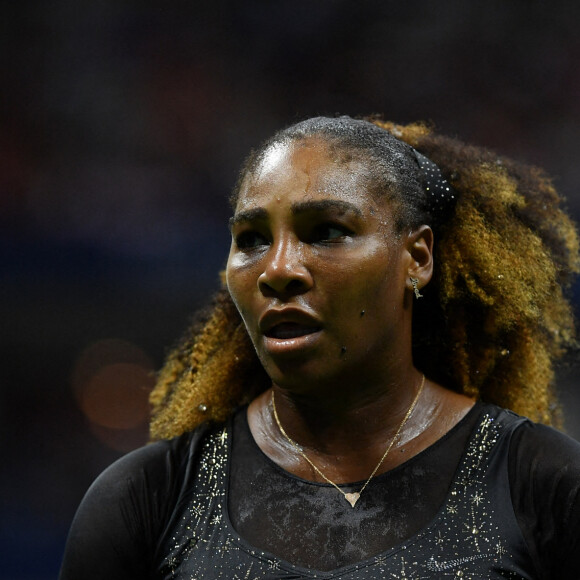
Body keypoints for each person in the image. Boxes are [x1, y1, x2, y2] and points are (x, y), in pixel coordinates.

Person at [59, 116, 580, 579]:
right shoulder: (148, 498)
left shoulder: (542, 485)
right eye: (252, 239)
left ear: (417, 257)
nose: (278, 269)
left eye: (326, 231)